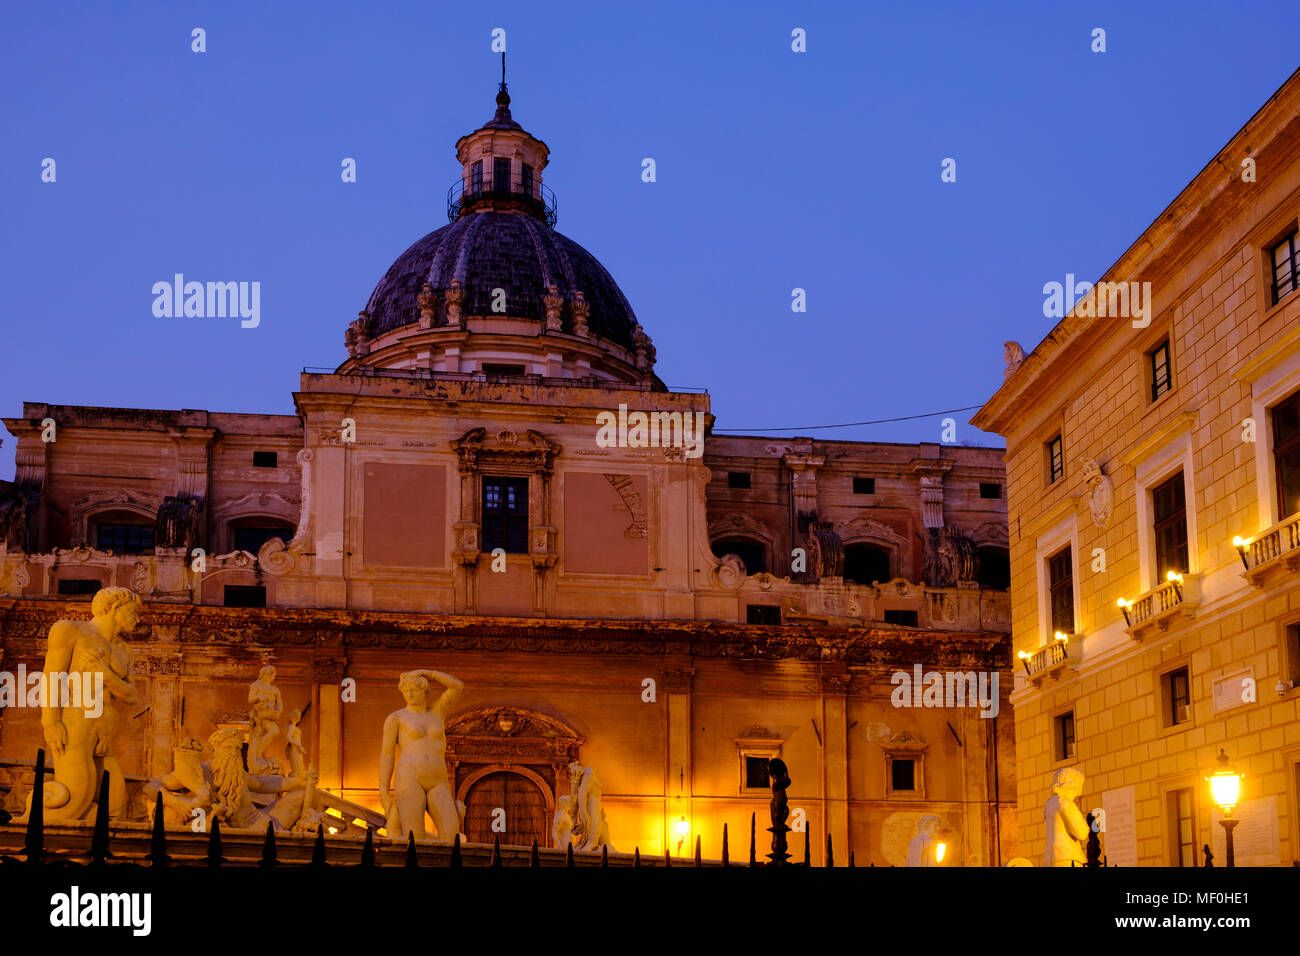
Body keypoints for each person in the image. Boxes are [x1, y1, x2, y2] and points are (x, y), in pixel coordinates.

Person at [37, 586, 141, 822]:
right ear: (116, 608)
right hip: (77, 726)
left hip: (106, 734)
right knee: (73, 803)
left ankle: (84, 857)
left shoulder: (124, 650)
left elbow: (132, 696)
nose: (137, 618)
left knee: (114, 809)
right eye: (133, 611)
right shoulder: (69, 630)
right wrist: (50, 723)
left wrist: (106, 675)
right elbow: (52, 676)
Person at [378, 669, 465, 843]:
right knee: (413, 837)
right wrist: (383, 790)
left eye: (414, 689)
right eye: (406, 690)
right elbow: (387, 755)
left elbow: (457, 686)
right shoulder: (396, 718)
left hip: (438, 779)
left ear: (425, 691)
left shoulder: (437, 712)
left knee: (451, 834)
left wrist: (428, 673)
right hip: (410, 777)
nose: (409, 693)